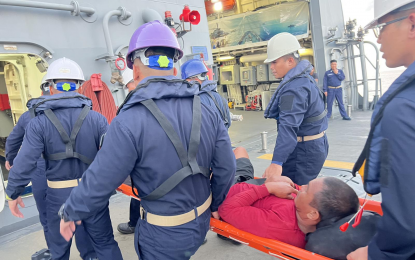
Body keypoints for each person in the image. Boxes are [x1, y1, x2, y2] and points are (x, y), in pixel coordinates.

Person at [59, 21, 235, 260]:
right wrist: (217, 205)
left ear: (136, 70)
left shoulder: (129, 118)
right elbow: (227, 166)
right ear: (174, 67)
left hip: (163, 234)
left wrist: (71, 210)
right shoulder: (206, 105)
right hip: (201, 222)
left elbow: (102, 178)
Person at [5, 57, 122, 260]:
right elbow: (114, 156)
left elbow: (25, 161)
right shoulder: (97, 118)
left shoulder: (38, 122)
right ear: (78, 86)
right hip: (91, 192)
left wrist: (12, 193)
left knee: (59, 249)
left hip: (58, 195)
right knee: (104, 243)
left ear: (50, 87)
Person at [347, 1, 415, 260]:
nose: (378, 40)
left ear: (411, 23)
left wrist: (376, 254)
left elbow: (407, 218)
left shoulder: (404, 107)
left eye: (382, 27)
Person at [219, 147, 359, 248]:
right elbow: (300, 189)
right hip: (251, 185)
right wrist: (281, 182)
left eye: (306, 189)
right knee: (240, 150)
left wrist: (269, 188)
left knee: (224, 156)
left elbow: (227, 209)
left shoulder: (279, 224)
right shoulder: (306, 208)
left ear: (312, 214)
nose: (301, 187)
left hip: (227, 189)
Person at [262, 32, 329, 185]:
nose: (271, 67)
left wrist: (276, 163)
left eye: (274, 62)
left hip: (303, 154)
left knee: (296, 197)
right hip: (317, 145)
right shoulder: (305, 79)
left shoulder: (293, 89)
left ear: (290, 61)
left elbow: (288, 127)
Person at [116, 68, 142, 235]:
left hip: (142, 159)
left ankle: (134, 223)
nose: (128, 88)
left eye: (128, 85)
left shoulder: (131, 104)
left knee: (138, 191)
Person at [181, 59, 232, 129]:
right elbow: (228, 123)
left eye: (186, 80)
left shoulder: (191, 101)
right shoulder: (219, 98)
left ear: (195, 79)